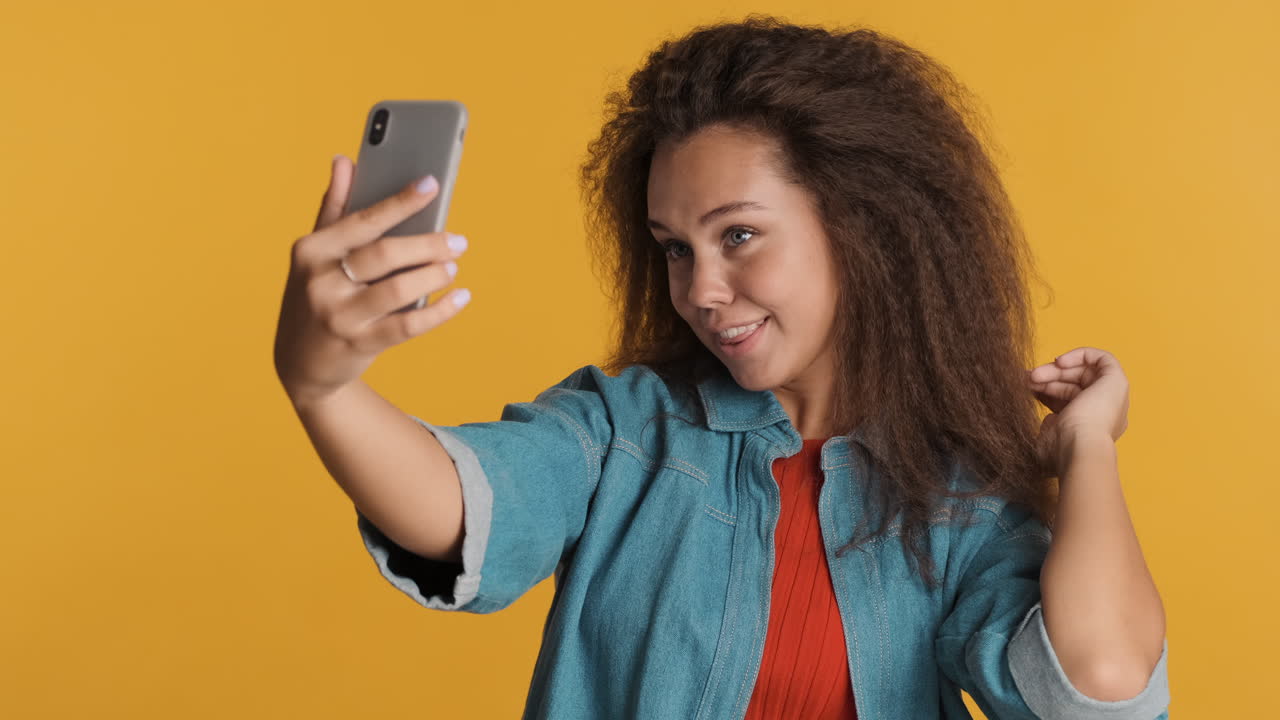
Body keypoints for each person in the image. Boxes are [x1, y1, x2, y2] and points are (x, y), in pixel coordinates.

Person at [273, 15, 1170, 719]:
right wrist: (325, 389)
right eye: (673, 248)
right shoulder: (624, 431)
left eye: (738, 235)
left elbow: (1098, 685)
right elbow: (463, 509)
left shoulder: (958, 504)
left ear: (864, 226)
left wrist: (1087, 445)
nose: (701, 290)